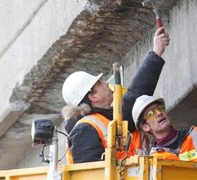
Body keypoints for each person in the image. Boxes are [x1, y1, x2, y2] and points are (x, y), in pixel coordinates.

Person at [61, 26, 170, 163]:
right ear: (93, 97)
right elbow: (91, 174)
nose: (106, 83)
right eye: (99, 83)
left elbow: (134, 97)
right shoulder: (85, 130)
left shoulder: (109, 120)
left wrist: (156, 53)